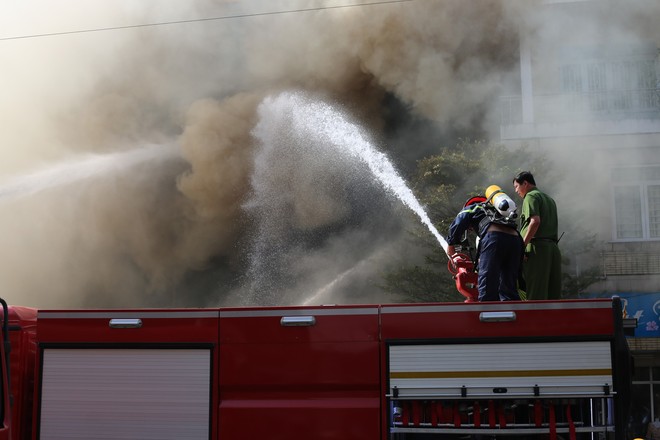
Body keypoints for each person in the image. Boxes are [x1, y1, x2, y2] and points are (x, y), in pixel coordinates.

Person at [446, 190, 524, 302]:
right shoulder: (497, 211)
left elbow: (460, 219)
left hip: (495, 238)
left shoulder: (474, 207)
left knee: (487, 285)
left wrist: (451, 243)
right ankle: (513, 316)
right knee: (509, 287)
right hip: (516, 240)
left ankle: (487, 314)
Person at [512, 171, 562, 300]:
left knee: (536, 293)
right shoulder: (550, 199)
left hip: (537, 249)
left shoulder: (530, 197)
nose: (516, 191)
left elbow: (535, 221)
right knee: (553, 293)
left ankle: (534, 320)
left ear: (525, 183)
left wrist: (522, 246)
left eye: (516, 186)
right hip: (553, 249)